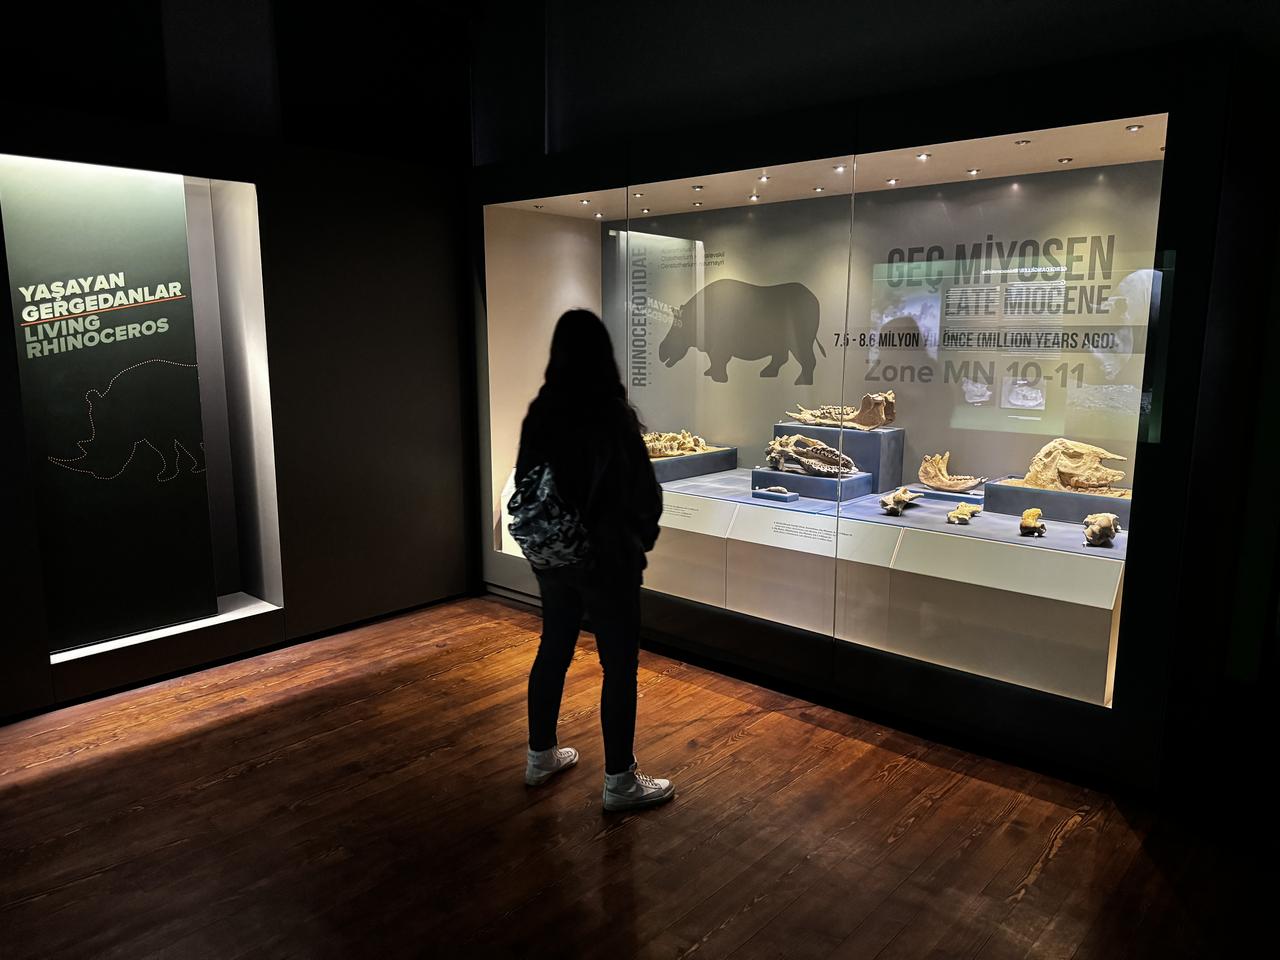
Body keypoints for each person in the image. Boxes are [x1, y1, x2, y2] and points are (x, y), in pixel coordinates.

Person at [514, 309, 673, 812]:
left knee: (553, 647)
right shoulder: (611, 415)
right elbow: (644, 495)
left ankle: (541, 756)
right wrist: (636, 542)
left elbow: (525, 483)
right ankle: (619, 781)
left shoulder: (541, 411)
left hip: (554, 557)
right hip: (608, 562)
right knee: (618, 665)